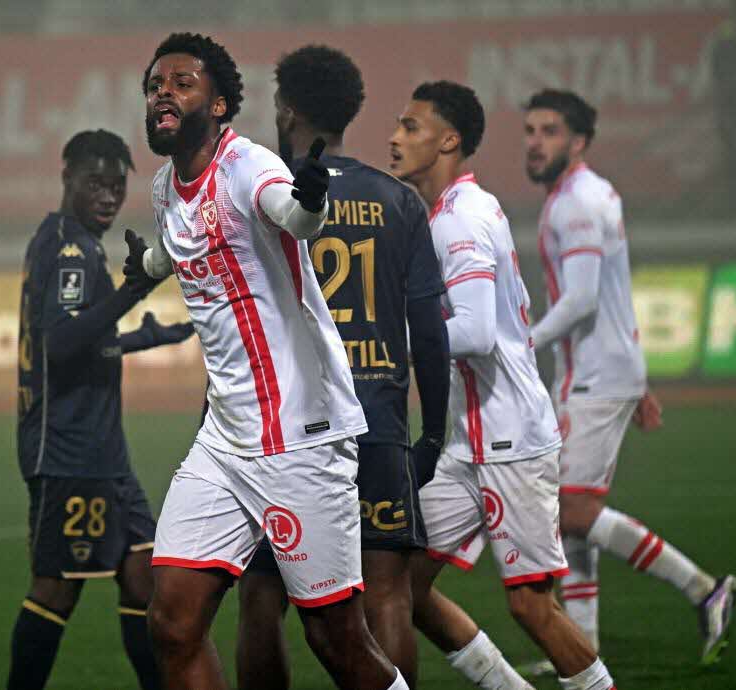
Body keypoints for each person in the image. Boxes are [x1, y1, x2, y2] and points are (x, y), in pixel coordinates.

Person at [127, 32, 410, 690]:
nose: (162, 91)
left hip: (299, 438)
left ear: (219, 105)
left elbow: (292, 216)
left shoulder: (247, 165)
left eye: (180, 82)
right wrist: (140, 266)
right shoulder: (167, 188)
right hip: (224, 442)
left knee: (335, 637)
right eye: (153, 84)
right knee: (171, 621)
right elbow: (176, 248)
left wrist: (310, 199)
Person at [234, 45, 450, 690]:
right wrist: (433, 431)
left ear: (290, 107)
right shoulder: (398, 200)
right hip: (377, 421)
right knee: (385, 595)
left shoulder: (259, 194)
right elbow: (429, 331)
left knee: (262, 599)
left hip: (285, 430)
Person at [389, 81, 618, 690]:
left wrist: (387, 345)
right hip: (466, 442)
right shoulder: (450, 211)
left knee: (531, 606)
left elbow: (473, 333)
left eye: (411, 127)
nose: (394, 137)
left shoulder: (459, 218)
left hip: (512, 439)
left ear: (449, 139)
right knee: (398, 584)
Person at [522, 88, 736, 667]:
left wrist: (524, 343)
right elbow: (611, 294)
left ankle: (703, 588)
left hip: (594, 375)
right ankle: (583, 644)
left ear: (579, 140)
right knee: (567, 514)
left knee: (571, 512)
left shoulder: (578, 204)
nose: (535, 141)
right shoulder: (585, 195)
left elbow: (584, 300)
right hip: (599, 371)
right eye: (530, 130)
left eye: (549, 130)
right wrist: (636, 380)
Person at [9, 129, 195, 690]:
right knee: (57, 589)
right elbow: (62, 343)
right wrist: (132, 292)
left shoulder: (77, 242)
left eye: (117, 186)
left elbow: (82, 341)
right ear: (67, 179)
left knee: (144, 579)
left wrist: (142, 337)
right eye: (96, 183)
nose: (109, 196)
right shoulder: (68, 247)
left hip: (104, 454)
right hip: (68, 449)